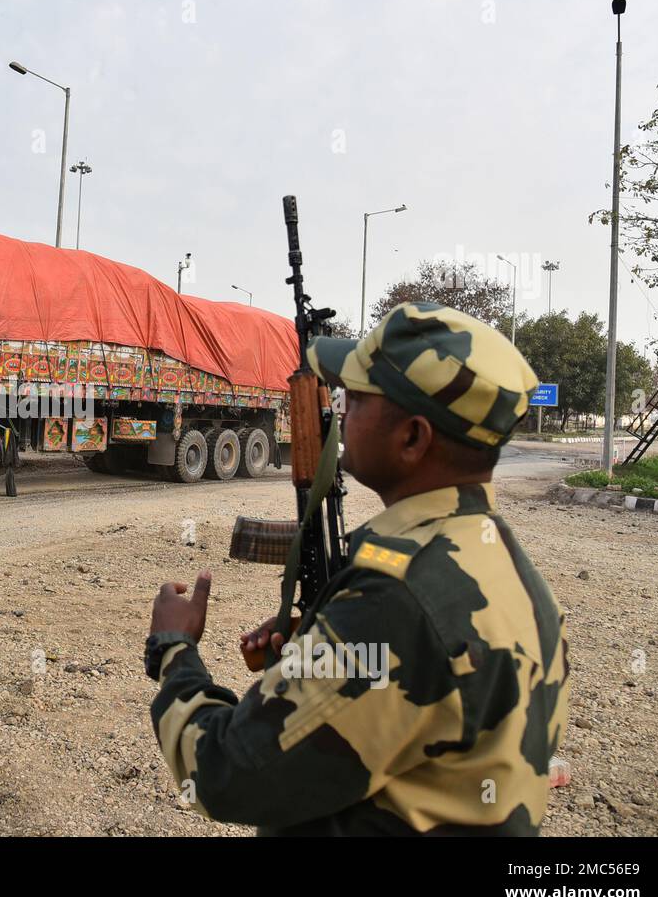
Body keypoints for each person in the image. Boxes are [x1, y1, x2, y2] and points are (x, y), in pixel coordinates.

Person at [145, 301, 569, 835]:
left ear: (413, 438)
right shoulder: (500, 562)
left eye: (359, 398)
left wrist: (174, 649)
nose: (340, 409)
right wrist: (318, 644)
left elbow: (228, 773)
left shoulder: (396, 599)